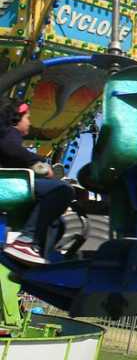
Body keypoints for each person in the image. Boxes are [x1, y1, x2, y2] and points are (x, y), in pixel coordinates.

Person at [1, 99, 74, 265]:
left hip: (10, 186)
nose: (30, 122)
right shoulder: (9, 133)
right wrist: (38, 162)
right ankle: (26, 241)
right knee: (63, 190)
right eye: (27, 117)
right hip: (7, 187)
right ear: (16, 118)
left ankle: (32, 257)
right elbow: (11, 150)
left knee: (56, 222)